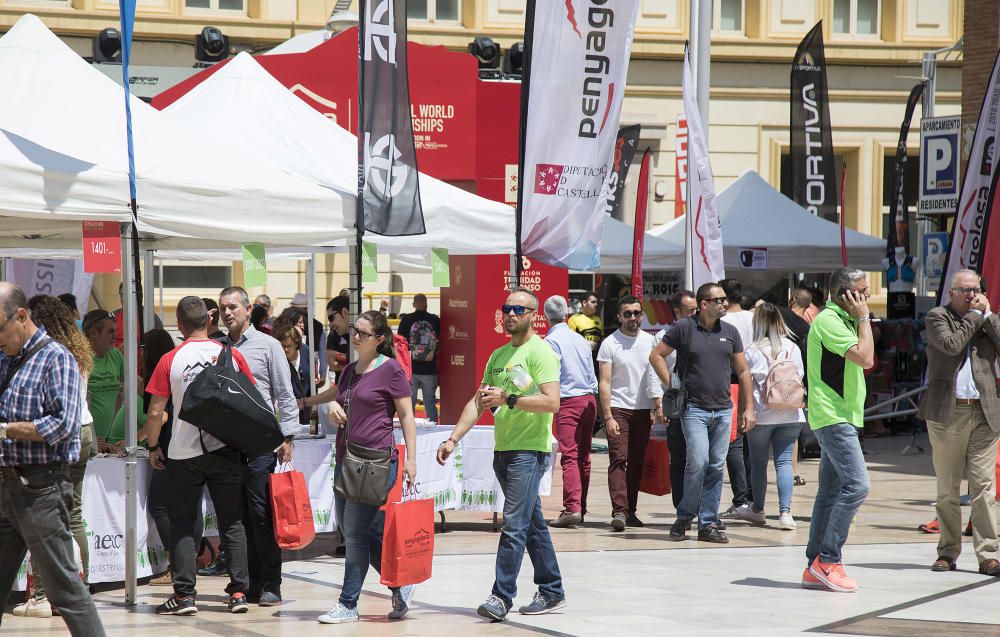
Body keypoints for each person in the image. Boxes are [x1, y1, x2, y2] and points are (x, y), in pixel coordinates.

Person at [437, 288, 564, 622]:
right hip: (504, 450)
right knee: (532, 523)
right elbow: (477, 402)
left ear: (533, 315)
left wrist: (510, 399)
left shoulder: (541, 353)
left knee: (514, 525)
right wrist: (453, 439)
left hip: (529, 451)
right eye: (506, 308)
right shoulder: (498, 355)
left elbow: (552, 401)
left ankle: (500, 596)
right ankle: (552, 589)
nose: (510, 314)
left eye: (518, 310)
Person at [0, 283, 105, 636]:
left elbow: (64, 425)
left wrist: (10, 430)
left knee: (64, 589)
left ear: (21, 316)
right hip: (7, 487)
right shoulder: (5, 359)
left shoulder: (56, 358)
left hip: (41, 487)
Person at [145, 296, 254, 615]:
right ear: (209, 321)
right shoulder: (230, 355)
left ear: (179, 325)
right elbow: (250, 399)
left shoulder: (170, 359)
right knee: (231, 521)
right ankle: (238, 594)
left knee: (182, 522)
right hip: (226, 450)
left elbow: (155, 412)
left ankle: (185, 596)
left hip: (183, 452)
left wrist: (153, 447)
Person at [308, 310, 417, 624]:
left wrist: (411, 460)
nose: (355, 336)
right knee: (355, 529)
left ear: (379, 339)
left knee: (355, 534)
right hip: (346, 459)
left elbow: (407, 416)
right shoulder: (349, 370)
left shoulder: (391, 370)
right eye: (355, 330)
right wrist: (327, 406)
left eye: (363, 333)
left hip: (375, 463)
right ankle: (400, 583)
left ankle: (348, 603)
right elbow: (338, 398)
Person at [650, 282, 755, 544]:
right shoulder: (684, 328)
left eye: (724, 299)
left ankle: (706, 523)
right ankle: (685, 514)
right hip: (693, 408)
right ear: (703, 304)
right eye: (718, 300)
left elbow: (742, 371)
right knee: (697, 463)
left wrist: (748, 408)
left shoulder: (730, 332)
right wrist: (672, 384)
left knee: (716, 467)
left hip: (722, 410)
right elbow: (656, 356)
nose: (723, 303)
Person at [220, 286, 298, 606]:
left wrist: (289, 436)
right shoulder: (217, 347)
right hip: (226, 446)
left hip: (261, 445)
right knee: (237, 519)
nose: (228, 313)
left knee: (262, 516)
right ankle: (247, 582)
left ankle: (271, 583)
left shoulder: (268, 346)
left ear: (248, 309)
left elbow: (284, 393)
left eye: (233, 307)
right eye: (223, 307)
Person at [919, 269, 1000, 576]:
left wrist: (989, 316)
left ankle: (988, 554)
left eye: (975, 289)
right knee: (948, 487)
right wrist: (976, 316)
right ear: (951, 292)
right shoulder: (938, 317)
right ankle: (948, 551)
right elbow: (952, 345)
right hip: (947, 412)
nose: (971, 295)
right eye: (964, 290)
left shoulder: (985, 317)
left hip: (984, 412)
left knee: (983, 487)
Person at [802, 267, 873, 593]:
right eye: (861, 291)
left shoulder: (840, 320)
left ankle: (814, 564)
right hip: (833, 417)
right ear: (845, 294)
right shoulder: (830, 321)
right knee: (857, 486)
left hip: (842, 415)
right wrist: (863, 319)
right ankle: (828, 560)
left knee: (830, 492)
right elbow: (865, 358)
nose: (867, 296)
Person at [598, 295, 659, 531]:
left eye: (636, 313)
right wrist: (608, 416)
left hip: (643, 410)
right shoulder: (610, 343)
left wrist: (656, 405)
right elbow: (604, 382)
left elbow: (654, 375)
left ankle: (631, 511)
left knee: (636, 463)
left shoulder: (651, 341)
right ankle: (619, 512)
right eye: (627, 314)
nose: (633, 317)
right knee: (619, 460)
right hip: (618, 409)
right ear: (619, 317)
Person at [744, 303, 805, 530]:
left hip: (761, 415)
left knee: (759, 463)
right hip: (791, 413)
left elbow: (746, 383)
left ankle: (758, 509)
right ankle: (785, 513)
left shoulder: (752, 350)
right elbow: (799, 376)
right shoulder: (792, 347)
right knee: (784, 462)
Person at [543, 295, 598, 528]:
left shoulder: (550, 342)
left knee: (570, 456)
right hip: (589, 400)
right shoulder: (578, 338)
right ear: (567, 313)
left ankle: (572, 507)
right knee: (584, 457)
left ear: (545, 316)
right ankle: (580, 507)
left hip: (568, 400)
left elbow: (549, 374)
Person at [137, 328, 186, 587]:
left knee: (159, 505)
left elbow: (161, 414)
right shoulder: (174, 370)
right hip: (182, 445)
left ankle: (174, 565)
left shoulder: (157, 375)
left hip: (165, 447)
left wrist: (141, 438)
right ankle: (181, 563)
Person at [647, 289, 697, 510]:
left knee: (700, 460)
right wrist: (659, 403)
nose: (695, 313)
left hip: (700, 404)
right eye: (690, 310)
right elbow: (654, 370)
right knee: (678, 459)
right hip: (676, 406)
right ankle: (681, 507)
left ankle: (701, 506)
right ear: (677, 311)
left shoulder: (704, 333)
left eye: (696, 309)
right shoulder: (664, 337)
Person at [718, 279, 754, 523]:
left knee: (734, 443)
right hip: (755, 381)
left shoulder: (723, 322)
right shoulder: (753, 318)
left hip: (731, 381)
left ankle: (741, 497)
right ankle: (751, 497)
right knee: (750, 445)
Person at [82, 309, 124, 443]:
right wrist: (91, 438)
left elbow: (125, 392)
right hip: (85, 441)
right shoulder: (80, 359)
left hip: (106, 442)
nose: (116, 336)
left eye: (115, 331)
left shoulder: (116, 356)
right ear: (94, 333)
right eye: (110, 332)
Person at [398, 293, 441, 423]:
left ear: (413, 304)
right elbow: (441, 340)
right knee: (430, 403)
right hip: (430, 369)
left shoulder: (406, 319)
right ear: (426, 304)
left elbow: (400, 343)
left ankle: (408, 430)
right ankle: (433, 431)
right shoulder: (435, 320)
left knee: (408, 404)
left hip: (411, 369)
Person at [274, 323, 310, 425]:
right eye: (283, 346)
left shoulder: (306, 351)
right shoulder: (278, 358)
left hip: (306, 408)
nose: (285, 350)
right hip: (286, 410)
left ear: (297, 344)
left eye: (289, 346)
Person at [326, 295, 351, 379]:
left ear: (344, 312)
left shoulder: (369, 333)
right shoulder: (334, 334)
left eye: (331, 318)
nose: (330, 324)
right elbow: (332, 363)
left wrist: (339, 357)